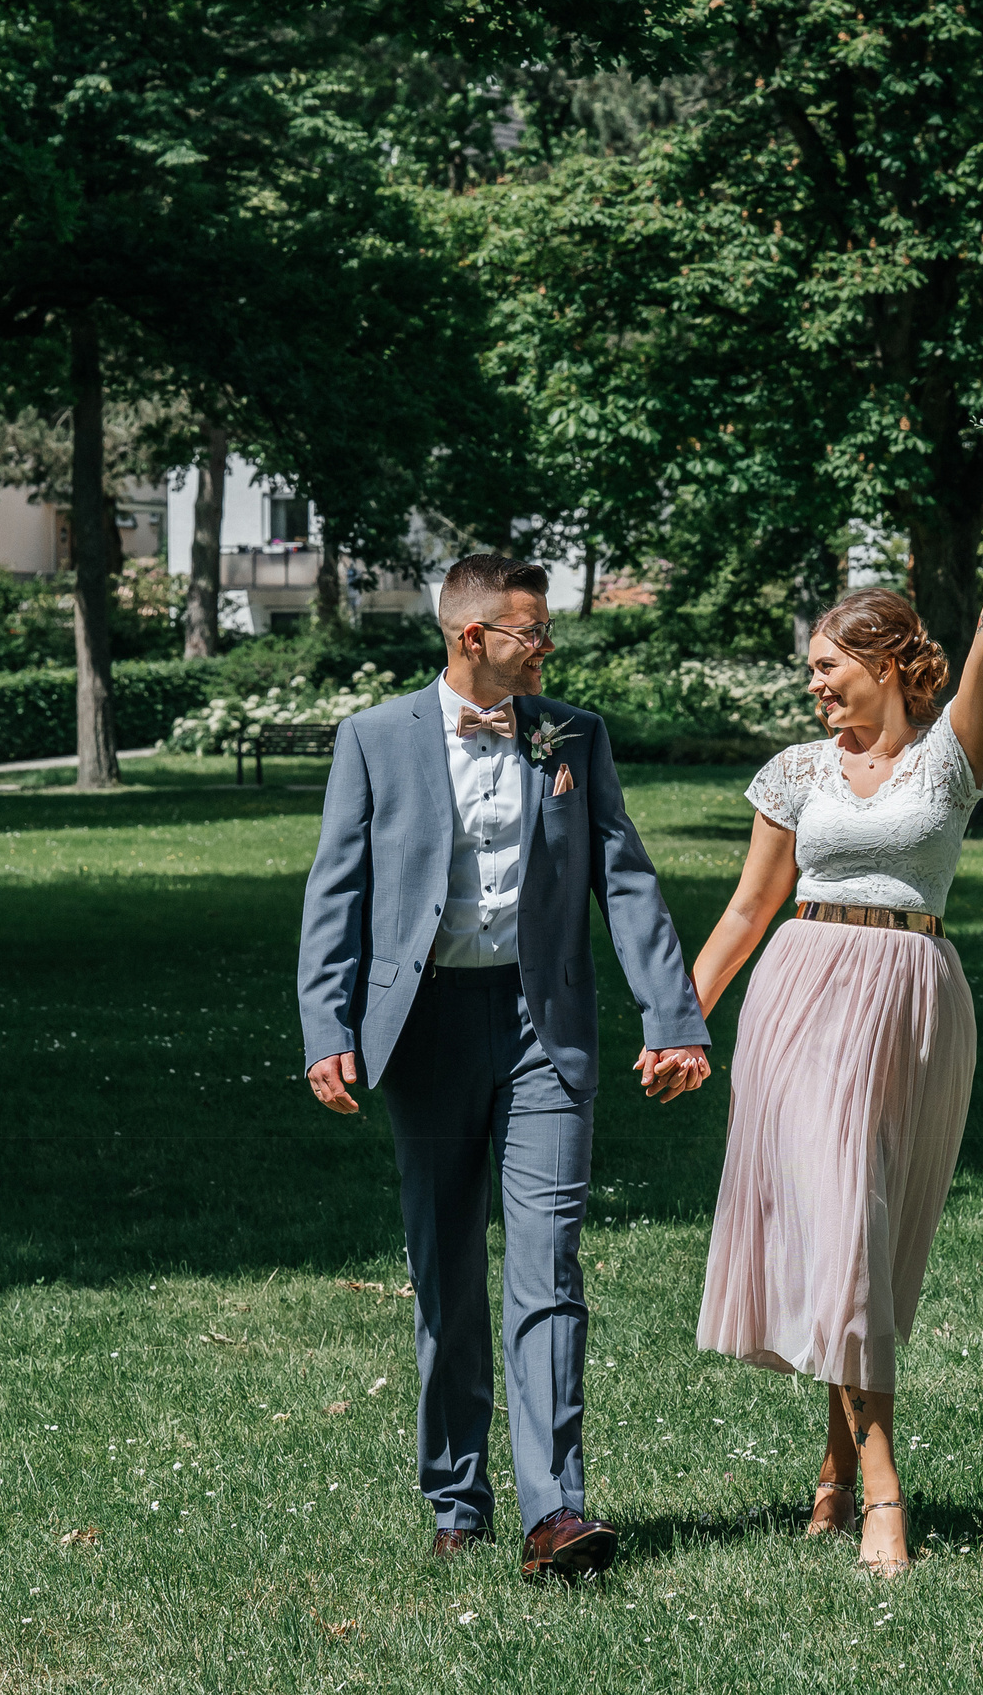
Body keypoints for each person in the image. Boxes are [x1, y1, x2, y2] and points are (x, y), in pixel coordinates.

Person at [297, 552, 713, 1581]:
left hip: (545, 1031)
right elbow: (335, 896)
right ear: (470, 636)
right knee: (445, 1268)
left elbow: (626, 881)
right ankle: (455, 1494)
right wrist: (327, 1028)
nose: (548, 649)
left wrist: (676, 1018)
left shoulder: (573, 734)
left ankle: (556, 1512)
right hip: (424, 1030)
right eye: (532, 632)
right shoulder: (374, 739)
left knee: (548, 1268)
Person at [690, 465, 983, 1575]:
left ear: (888, 664)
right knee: (836, 1216)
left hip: (911, 999)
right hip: (798, 994)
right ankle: (886, 1493)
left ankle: (830, 1465)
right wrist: (682, 1020)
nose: (813, 688)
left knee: (867, 1234)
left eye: (827, 667)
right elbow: (748, 908)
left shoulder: (950, 759)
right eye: (809, 671)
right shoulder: (795, 771)